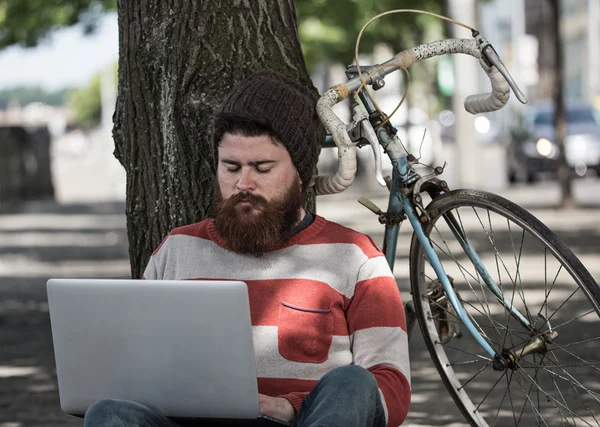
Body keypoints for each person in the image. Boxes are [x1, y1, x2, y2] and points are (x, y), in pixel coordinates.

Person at [84, 70, 411, 427]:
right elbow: (139, 367)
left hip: (302, 422)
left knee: (353, 382)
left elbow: (391, 385)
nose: (243, 183)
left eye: (262, 168)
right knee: (108, 413)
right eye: (231, 167)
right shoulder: (177, 249)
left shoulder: (355, 256)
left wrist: (290, 407)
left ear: (301, 173)